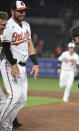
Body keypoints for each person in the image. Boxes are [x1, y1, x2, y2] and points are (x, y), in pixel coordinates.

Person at [0, 1, 39, 130]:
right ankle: (3, 124)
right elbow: (5, 47)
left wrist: (35, 63)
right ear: (12, 11)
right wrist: (13, 64)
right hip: (11, 65)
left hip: (23, 66)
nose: (22, 13)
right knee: (14, 96)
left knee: (22, 99)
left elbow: (30, 45)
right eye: (19, 11)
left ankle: (6, 125)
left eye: (24, 10)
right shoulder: (8, 26)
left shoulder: (27, 25)